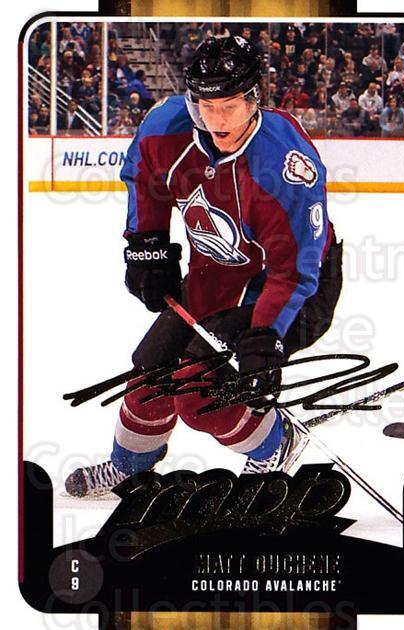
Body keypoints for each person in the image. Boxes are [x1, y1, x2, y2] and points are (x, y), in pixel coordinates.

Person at [65, 36, 342, 497]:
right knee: (150, 370)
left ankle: (276, 443)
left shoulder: (285, 164)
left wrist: (266, 335)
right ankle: (130, 465)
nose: (217, 121)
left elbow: (294, 271)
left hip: (295, 286)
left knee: (199, 388)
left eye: (229, 107)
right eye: (206, 107)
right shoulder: (166, 127)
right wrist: (148, 245)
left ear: (254, 98)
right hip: (217, 273)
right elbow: (144, 177)